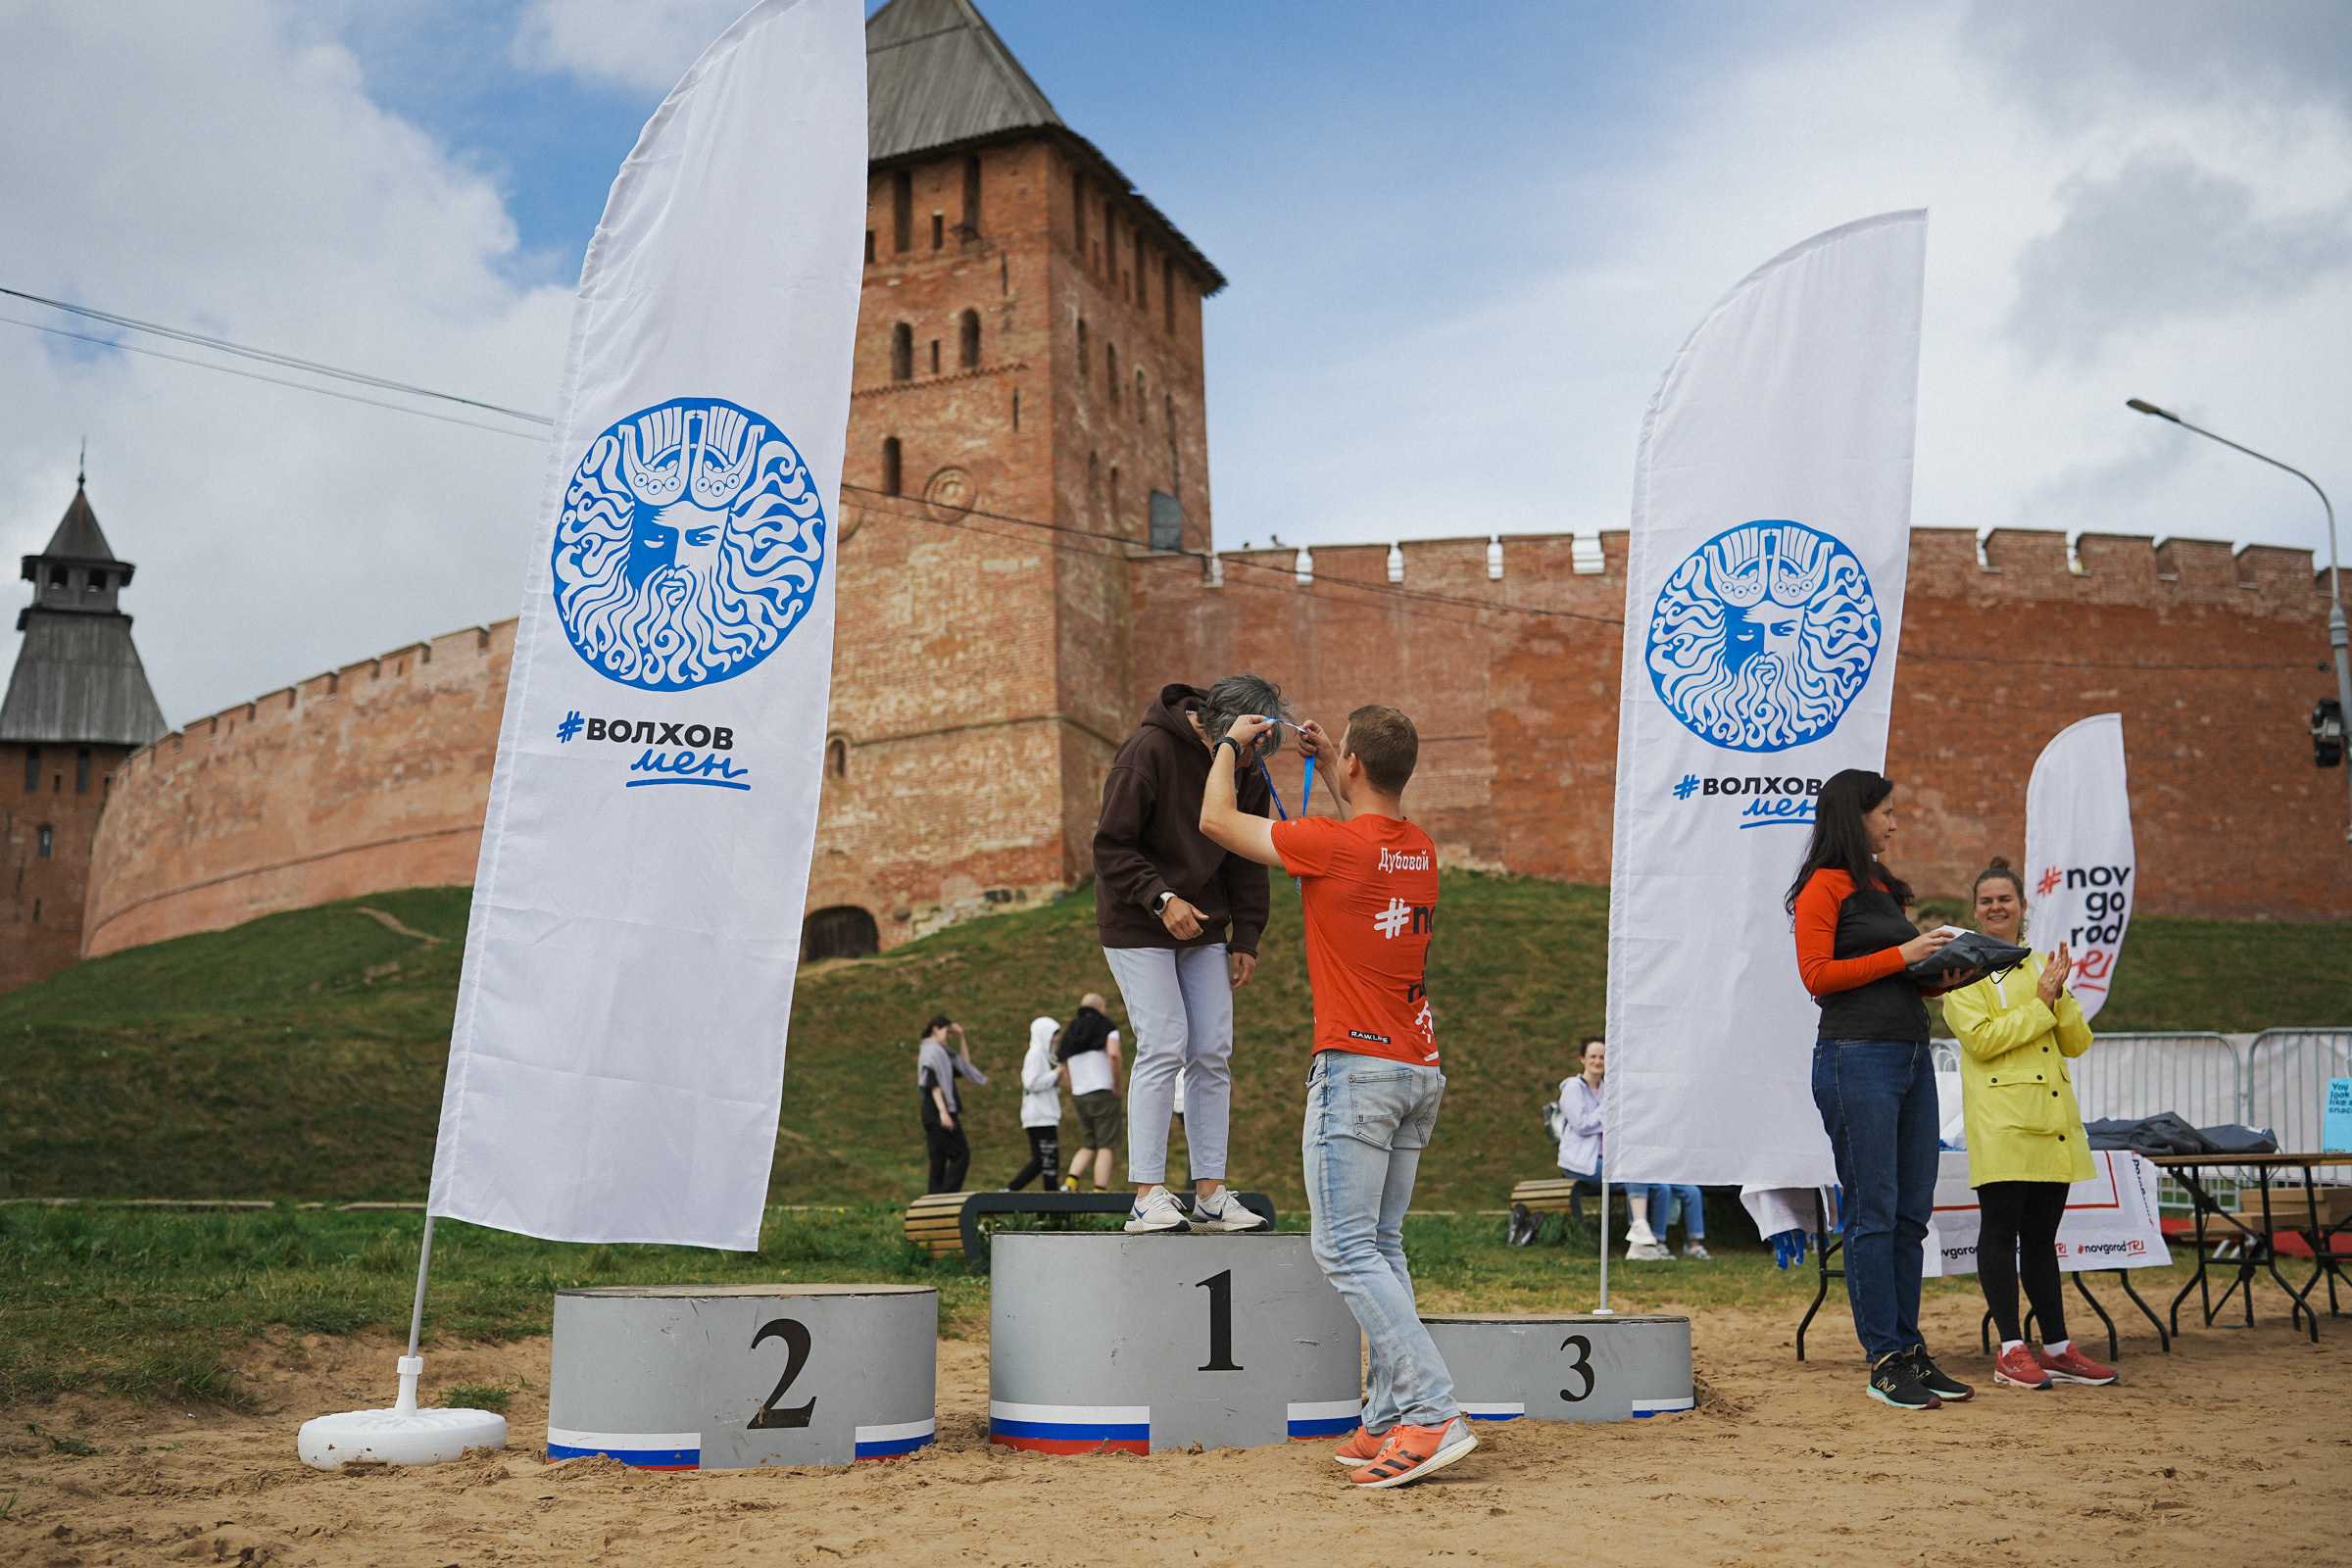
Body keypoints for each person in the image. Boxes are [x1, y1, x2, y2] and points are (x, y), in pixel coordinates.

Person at [1200, 704, 1476, 1490]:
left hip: (1357, 1069)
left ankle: (1432, 1411)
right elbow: (1368, 839)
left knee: (1345, 1248)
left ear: (1351, 766)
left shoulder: (1331, 846)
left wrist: (1228, 743)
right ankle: (1391, 1418)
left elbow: (1216, 819)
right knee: (1381, 1245)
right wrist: (1334, 765)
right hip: (1417, 1067)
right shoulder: (1416, 849)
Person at [1788, 768, 1980, 1411]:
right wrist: (1904, 956)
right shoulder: (1823, 886)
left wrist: (1943, 974)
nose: (1896, 823)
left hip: (1910, 1054)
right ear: (1857, 814)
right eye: (1888, 813)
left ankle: (1909, 1346)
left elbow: (1898, 975)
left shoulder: (1882, 888)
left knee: (1909, 1213)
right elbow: (1817, 976)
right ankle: (1885, 1359)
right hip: (1855, 1058)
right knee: (1874, 1210)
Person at [1094, 676, 1284, 1235]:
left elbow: (1246, 852)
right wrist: (1160, 898)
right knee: (1164, 1042)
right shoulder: (1147, 752)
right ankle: (1146, 1196)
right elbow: (1110, 845)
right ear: (1222, 728)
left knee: (1213, 1049)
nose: (1252, 761)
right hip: (1137, 917)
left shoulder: (1244, 768)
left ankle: (1210, 1194)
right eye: (1249, 745)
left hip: (1204, 924)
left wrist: (1247, 935)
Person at [1940, 858, 2117, 1390]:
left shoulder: (2042, 963)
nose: (1997, 907)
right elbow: (1983, 1040)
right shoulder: (1960, 969)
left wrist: (2057, 996)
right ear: (1974, 911)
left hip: (2052, 1122)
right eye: (1987, 900)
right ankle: (2011, 1350)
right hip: (2002, 1124)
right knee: (1999, 1233)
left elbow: (2077, 1043)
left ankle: (2058, 1348)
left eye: (2006, 899)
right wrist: (2042, 1002)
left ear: (2023, 907)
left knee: (2042, 1238)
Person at [1552, 1037, 1671, 1259]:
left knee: (1661, 1187)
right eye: (1593, 1057)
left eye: (1603, 1057)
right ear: (1582, 1059)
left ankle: (1653, 1243)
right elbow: (1582, 1124)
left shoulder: (1610, 1089)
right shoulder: (1572, 1088)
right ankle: (1639, 1230)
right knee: (1631, 1171)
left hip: (1609, 1160)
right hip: (1581, 1163)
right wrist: (1608, 1110)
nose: (1598, 1061)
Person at [1055, 994, 1125, 1193]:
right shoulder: (1107, 1026)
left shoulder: (1071, 1030)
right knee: (1106, 1145)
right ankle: (1099, 1191)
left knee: (1088, 1143)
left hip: (1080, 1094)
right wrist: (1117, 1085)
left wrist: (1072, 1085)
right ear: (1100, 1006)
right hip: (1102, 1091)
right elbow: (1113, 1053)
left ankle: (1070, 1183)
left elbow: (1063, 1062)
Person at [916, 1015, 988, 1196]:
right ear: (935, 1029)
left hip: (934, 1113)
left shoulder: (943, 1054)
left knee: (938, 1160)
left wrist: (962, 1037)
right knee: (961, 1155)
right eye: (947, 1032)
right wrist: (943, 1112)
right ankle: (946, 1197)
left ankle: (933, 1203)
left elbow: (964, 1065)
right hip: (938, 1111)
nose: (949, 1037)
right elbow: (933, 1084)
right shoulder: (932, 1052)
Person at [1006, 1015, 1063, 1193]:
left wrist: (1055, 1081)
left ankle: (1012, 1189)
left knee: (1042, 1161)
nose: (1055, 1040)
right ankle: (1051, 1203)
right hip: (1041, 1116)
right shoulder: (1035, 1054)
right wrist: (1057, 1074)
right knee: (1048, 1162)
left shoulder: (1041, 1056)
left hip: (1040, 1115)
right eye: (1052, 1035)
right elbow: (1031, 1082)